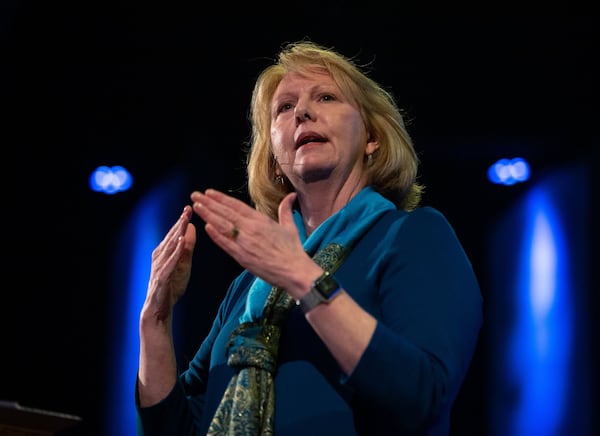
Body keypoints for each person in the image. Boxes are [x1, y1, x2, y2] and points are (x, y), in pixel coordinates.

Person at [135, 40, 483, 435]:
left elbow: (425, 395)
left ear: (372, 138)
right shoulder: (250, 287)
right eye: (284, 107)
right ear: (274, 156)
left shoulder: (414, 236)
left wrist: (304, 278)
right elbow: (177, 428)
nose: (301, 111)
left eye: (326, 97)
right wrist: (156, 322)